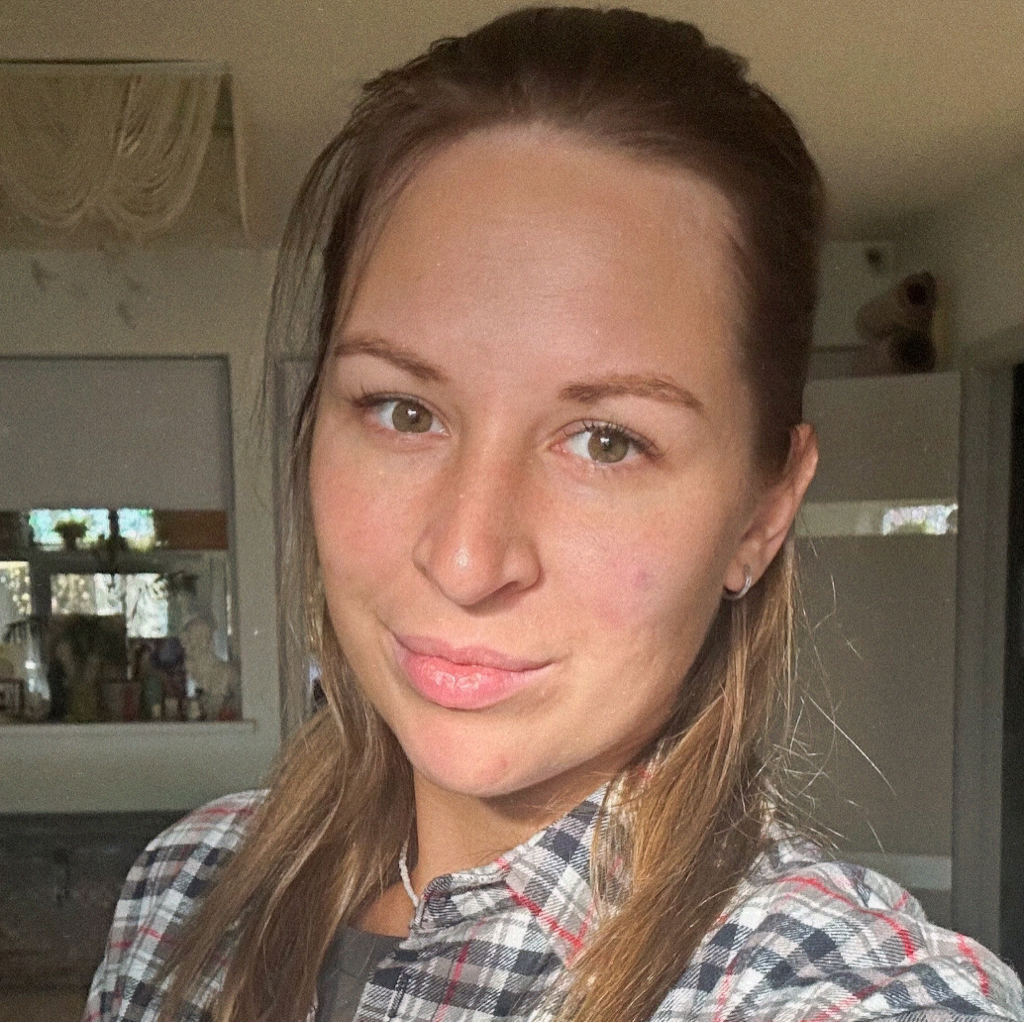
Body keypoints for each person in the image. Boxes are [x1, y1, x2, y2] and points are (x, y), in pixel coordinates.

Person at [87, 7, 1023, 1021]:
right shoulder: (187, 892)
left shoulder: (824, 988)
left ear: (763, 513)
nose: (465, 557)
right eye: (404, 411)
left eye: (606, 441)